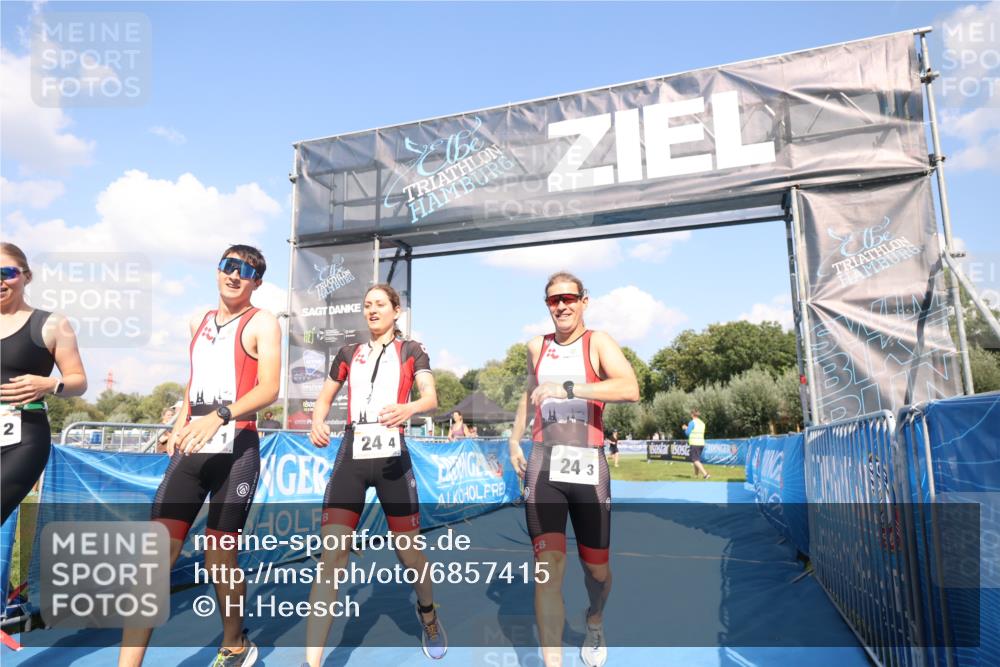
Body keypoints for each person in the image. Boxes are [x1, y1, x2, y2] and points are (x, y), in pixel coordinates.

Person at [120, 245, 281, 667]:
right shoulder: (197, 320)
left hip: (237, 451)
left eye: (245, 272)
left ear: (256, 283)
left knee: (218, 559)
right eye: (229, 266)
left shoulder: (262, 322)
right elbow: (195, 380)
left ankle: (234, 641)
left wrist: (221, 416)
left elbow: (269, 389)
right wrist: (180, 421)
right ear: (217, 270)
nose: (234, 275)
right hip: (193, 447)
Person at [305, 283, 446, 665]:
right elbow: (324, 397)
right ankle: (311, 661)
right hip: (353, 451)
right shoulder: (349, 352)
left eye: (380, 304)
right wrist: (318, 420)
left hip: (391, 457)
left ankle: (428, 614)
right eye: (367, 305)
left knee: (409, 552)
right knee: (330, 557)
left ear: (396, 311)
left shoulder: (412, 350)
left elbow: (431, 397)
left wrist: (409, 408)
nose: (372, 310)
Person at [508, 271, 639, 667]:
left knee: (596, 572)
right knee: (547, 567)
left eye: (568, 298)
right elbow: (529, 396)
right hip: (544, 463)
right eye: (553, 300)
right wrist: (514, 439)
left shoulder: (597, 343)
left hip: (587, 465)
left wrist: (569, 387)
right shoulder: (536, 347)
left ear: (584, 301)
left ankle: (594, 619)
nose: (561, 306)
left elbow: (629, 388)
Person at [0, 242, 87, 524]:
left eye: (7, 272)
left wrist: (50, 384)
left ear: (26, 275)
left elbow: (79, 381)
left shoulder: (51, 324)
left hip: (22, 439)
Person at [682, 409, 710, 480]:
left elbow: (687, 433)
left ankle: (705, 474)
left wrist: (685, 428)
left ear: (692, 415)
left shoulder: (692, 422)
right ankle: (696, 475)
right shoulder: (702, 423)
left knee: (695, 460)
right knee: (696, 459)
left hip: (694, 443)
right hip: (701, 443)